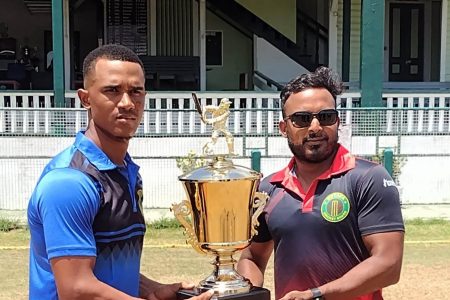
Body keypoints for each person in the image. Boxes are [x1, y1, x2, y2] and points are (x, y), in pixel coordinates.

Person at [27, 44, 213, 300]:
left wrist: (152, 290)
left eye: (136, 91)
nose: (127, 103)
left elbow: (104, 265)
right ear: (85, 98)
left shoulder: (127, 172)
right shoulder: (69, 182)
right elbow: (76, 289)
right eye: (112, 91)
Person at [237, 67, 405, 300]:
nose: (315, 127)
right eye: (302, 119)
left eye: (325, 116)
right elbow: (252, 257)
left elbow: (388, 263)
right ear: (284, 128)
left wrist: (317, 295)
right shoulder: (268, 188)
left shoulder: (368, 178)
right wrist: (246, 292)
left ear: (337, 121)